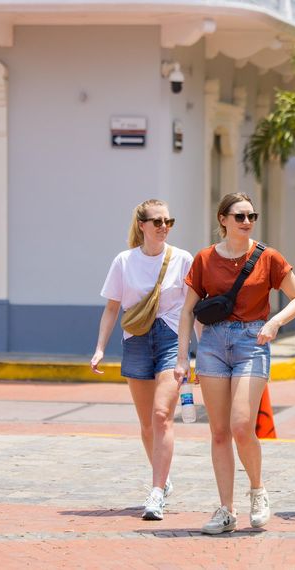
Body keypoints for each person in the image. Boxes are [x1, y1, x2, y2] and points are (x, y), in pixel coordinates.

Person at [175, 192, 295, 534]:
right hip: (213, 345)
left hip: (253, 341)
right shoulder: (205, 259)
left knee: (240, 425)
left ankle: (258, 490)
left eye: (251, 216)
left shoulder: (268, 257)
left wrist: (275, 322)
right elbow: (188, 311)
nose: (247, 222)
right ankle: (225, 510)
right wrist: (182, 357)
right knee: (218, 432)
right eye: (239, 216)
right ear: (223, 219)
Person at [91, 199, 193, 521]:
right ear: (142, 225)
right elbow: (112, 308)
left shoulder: (182, 259)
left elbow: (193, 309)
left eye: (168, 221)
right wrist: (99, 348)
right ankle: (162, 479)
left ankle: (156, 492)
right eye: (157, 221)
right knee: (147, 424)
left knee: (163, 414)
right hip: (135, 341)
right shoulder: (124, 261)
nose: (164, 227)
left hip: (170, 340)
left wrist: (198, 353)